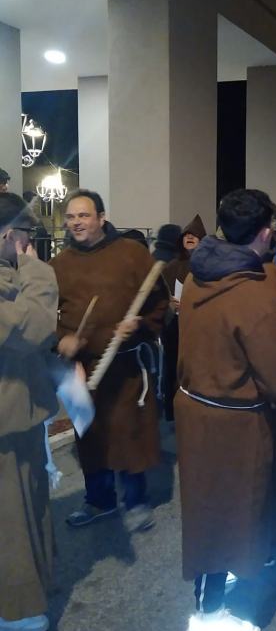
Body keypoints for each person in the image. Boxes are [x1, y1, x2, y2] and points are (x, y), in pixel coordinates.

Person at [174, 188, 276, 631]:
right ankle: (208, 617)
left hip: (195, 406)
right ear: (267, 232)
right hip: (232, 418)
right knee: (228, 510)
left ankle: (217, 584)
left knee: (208, 507)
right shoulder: (253, 294)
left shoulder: (196, 277)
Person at [50, 189, 168, 531]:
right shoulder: (59, 264)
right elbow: (46, 315)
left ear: (101, 217)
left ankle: (136, 501)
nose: (76, 223)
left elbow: (159, 302)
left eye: (83, 215)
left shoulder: (132, 254)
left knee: (128, 434)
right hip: (83, 369)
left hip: (127, 364)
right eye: (70, 217)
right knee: (91, 435)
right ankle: (99, 500)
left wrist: (141, 324)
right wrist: (62, 339)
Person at [0, 194, 59, 631]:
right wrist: (35, 270)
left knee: (17, 517)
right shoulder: (21, 273)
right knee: (5, 523)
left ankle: (15, 607)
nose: (27, 245)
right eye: (23, 236)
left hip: (12, 419)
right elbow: (33, 326)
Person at [161, 216, 207, 421]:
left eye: (193, 235)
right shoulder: (172, 266)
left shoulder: (207, 266)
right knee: (173, 367)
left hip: (199, 328)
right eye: (186, 235)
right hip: (174, 327)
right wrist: (169, 303)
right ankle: (173, 410)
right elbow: (162, 293)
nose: (189, 238)